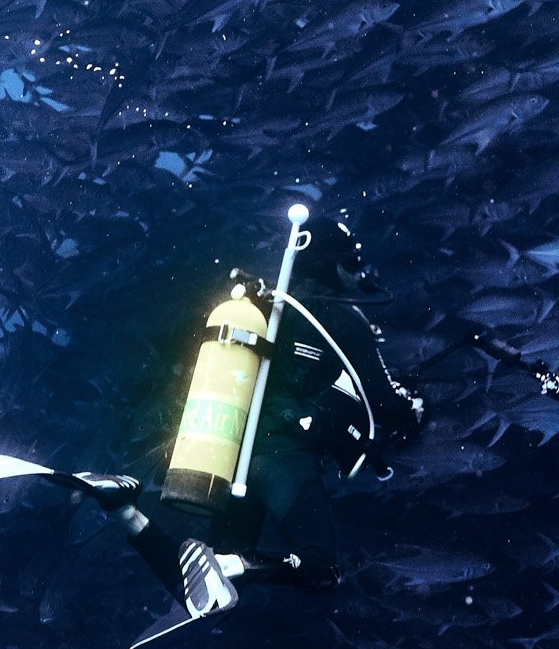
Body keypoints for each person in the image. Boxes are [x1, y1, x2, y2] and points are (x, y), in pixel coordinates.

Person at [57, 215, 423, 623]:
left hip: (234, 451)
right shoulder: (343, 320)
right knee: (321, 568)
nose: (361, 273)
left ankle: (125, 510)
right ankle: (235, 564)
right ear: (326, 265)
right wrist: (413, 411)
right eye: (351, 263)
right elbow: (388, 406)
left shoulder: (267, 309)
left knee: (204, 593)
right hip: (285, 458)